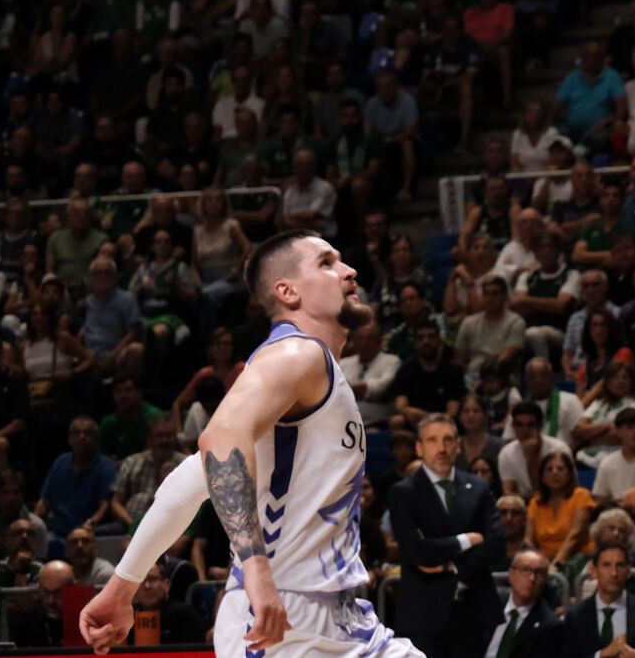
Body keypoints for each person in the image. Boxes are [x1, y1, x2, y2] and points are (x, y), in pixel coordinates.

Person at [79, 230, 424, 658]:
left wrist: (121, 587)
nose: (349, 270)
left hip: (342, 620)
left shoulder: (313, 373)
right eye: (326, 262)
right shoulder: (296, 354)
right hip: (280, 622)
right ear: (287, 291)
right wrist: (258, 572)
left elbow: (186, 487)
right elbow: (220, 440)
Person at [561, 540, 635, 658]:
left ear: (628, 571)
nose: (614, 573)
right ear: (593, 571)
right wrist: (602, 655)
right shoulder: (576, 616)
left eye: (620, 565)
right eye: (606, 565)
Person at [480, 549, 564, 658]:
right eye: (525, 570)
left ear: (545, 581)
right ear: (511, 575)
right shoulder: (490, 604)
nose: (532, 578)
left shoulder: (549, 625)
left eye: (539, 573)